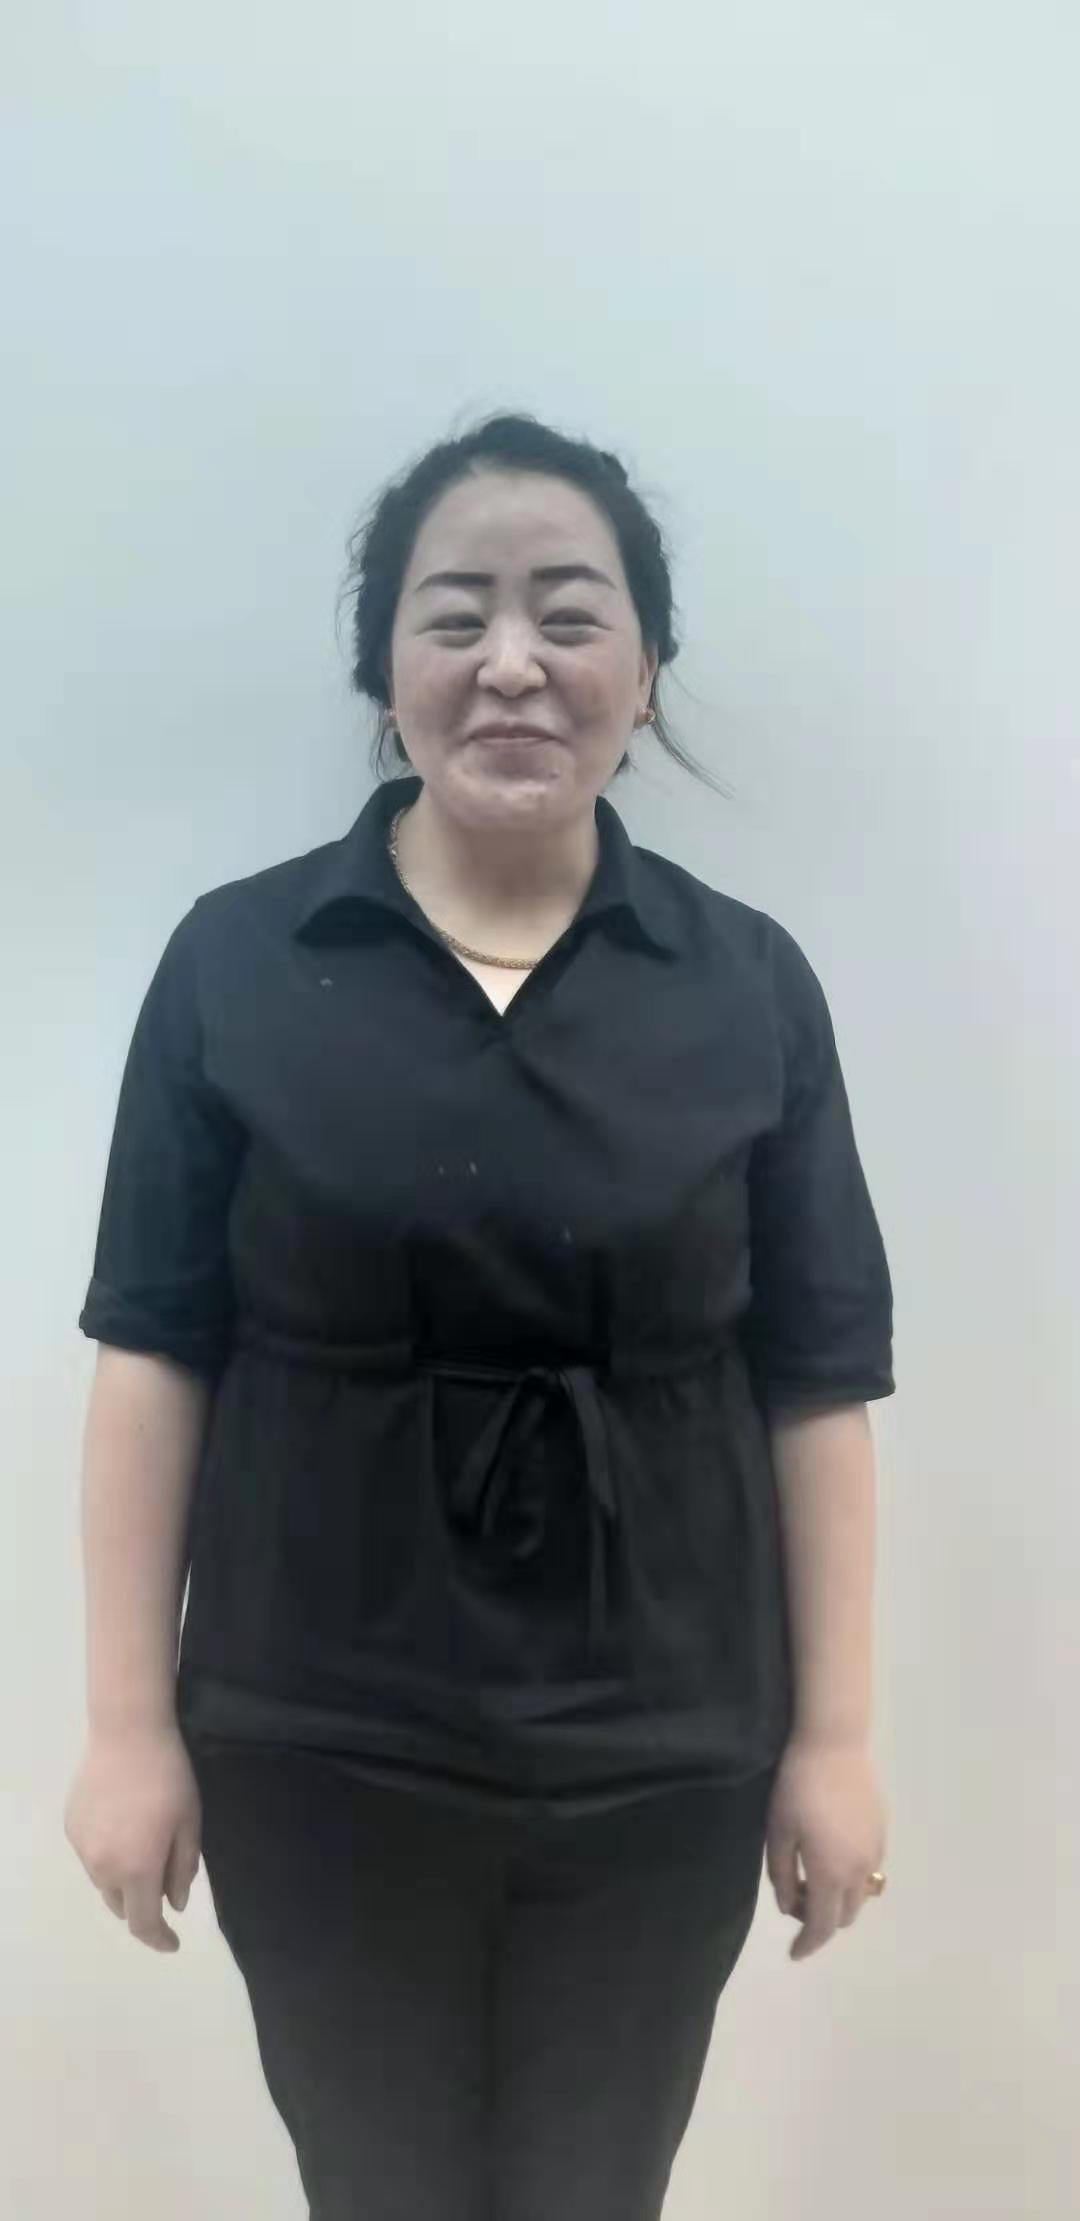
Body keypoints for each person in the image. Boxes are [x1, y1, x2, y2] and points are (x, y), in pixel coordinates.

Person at [65, 412, 894, 2221]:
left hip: (666, 1741)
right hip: (312, 1732)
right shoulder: (238, 963)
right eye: (456, 615)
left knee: (596, 2189)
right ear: (387, 671)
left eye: (568, 613)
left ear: (644, 670)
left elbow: (818, 1380)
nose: (512, 660)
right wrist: (127, 1726)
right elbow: (153, 1350)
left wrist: (834, 1739)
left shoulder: (747, 984)